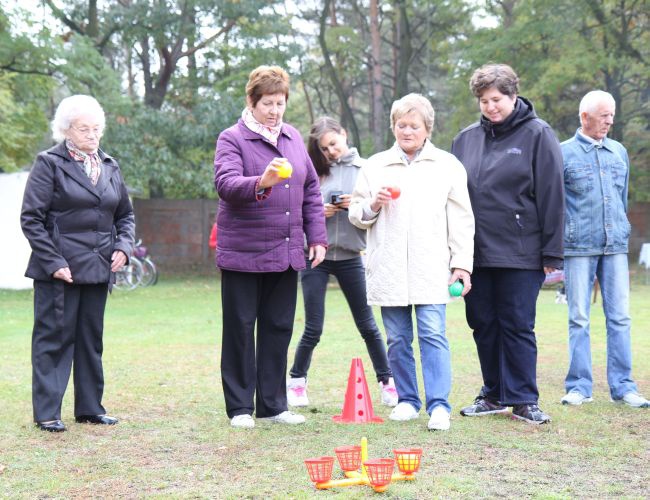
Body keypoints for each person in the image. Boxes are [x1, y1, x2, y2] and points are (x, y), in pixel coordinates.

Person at [349, 93, 474, 431]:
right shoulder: (374, 166)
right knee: (398, 338)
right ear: (393, 126)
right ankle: (407, 400)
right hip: (388, 268)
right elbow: (357, 215)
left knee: (433, 334)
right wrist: (372, 204)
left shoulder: (447, 166)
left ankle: (438, 406)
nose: (407, 131)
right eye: (401, 125)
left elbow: (462, 219)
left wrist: (462, 264)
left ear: (427, 128)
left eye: (413, 125)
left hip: (432, 267)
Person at [214, 65, 328, 429]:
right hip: (243, 254)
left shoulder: (293, 137)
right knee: (240, 328)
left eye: (280, 103)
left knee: (279, 327)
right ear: (252, 100)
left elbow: (310, 190)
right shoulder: (232, 138)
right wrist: (260, 182)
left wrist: (318, 238)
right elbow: (226, 184)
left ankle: (274, 405)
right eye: (267, 103)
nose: (275, 110)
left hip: (286, 251)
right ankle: (240, 408)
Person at [451, 64, 564, 424]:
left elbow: (552, 195)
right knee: (483, 323)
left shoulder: (538, 134)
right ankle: (493, 394)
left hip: (521, 251)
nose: (490, 107)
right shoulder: (465, 139)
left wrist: (552, 251)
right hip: (475, 253)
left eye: (497, 99)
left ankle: (524, 398)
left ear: (513, 96)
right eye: (484, 100)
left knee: (516, 323)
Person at [20, 95, 135, 432]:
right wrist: (53, 261)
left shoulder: (110, 165)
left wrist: (124, 247)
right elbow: (32, 219)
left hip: (99, 268)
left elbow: (125, 215)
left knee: (90, 339)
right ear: (66, 130)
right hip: (60, 271)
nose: (92, 135)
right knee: (53, 338)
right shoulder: (49, 164)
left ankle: (89, 408)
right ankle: (47, 412)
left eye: (97, 128)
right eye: (85, 129)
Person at [286, 117, 397, 408]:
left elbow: (376, 212)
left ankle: (387, 383)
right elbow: (295, 212)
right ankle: (296, 382)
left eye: (333, 144)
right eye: (324, 148)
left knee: (368, 326)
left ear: (344, 134)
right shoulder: (313, 171)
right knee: (313, 327)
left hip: (351, 256)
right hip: (316, 257)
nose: (331, 152)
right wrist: (317, 213)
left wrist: (355, 206)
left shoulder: (366, 170)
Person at [560, 90, 649, 408]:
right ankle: (579, 387)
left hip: (615, 247)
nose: (610, 120)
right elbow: (556, 203)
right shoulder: (563, 153)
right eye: (604, 115)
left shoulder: (619, 152)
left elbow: (622, 198)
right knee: (579, 317)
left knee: (620, 318)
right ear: (585, 117)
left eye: (612, 114)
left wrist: (621, 230)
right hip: (578, 248)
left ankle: (624, 387)